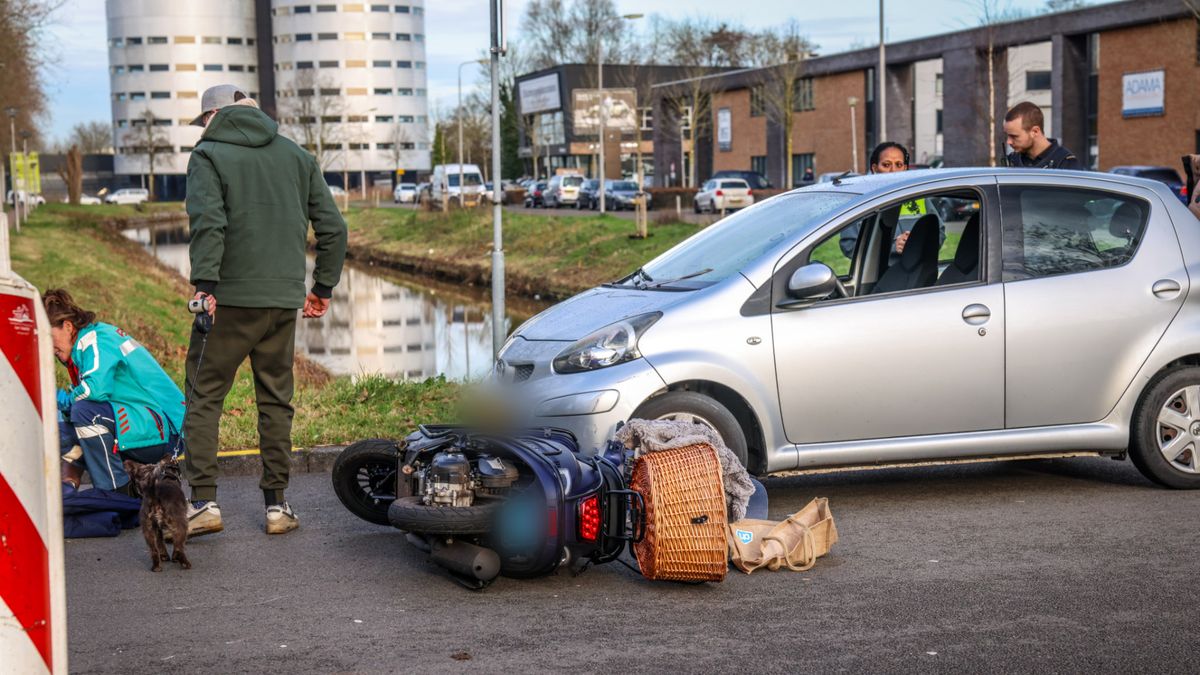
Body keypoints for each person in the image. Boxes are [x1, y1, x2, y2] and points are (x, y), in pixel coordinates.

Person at [184, 84, 347, 536]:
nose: (203, 128)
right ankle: (278, 507)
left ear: (214, 114)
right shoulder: (296, 157)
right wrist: (324, 287)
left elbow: (208, 223)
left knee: (204, 395)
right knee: (275, 399)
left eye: (203, 120)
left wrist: (206, 287)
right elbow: (333, 228)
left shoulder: (208, 155)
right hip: (281, 300)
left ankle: (203, 504)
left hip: (229, 301)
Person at [45, 289, 184, 494]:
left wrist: (59, 399)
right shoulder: (81, 349)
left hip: (167, 432)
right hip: (145, 423)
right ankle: (70, 489)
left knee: (85, 413)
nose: (47, 346)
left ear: (67, 326)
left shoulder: (95, 339)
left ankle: (116, 493)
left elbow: (95, 390)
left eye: (49, 336)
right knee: (58, 428)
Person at [839, 142, 943, 261]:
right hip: (878, 277)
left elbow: (939, 233)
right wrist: (892, 247)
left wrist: (917, 245)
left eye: (899, 165)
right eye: (886, 165)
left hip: (918, 276)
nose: (893, 170)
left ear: (905, 168)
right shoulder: (860, 202)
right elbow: (849, 246)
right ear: (875, 168)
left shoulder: (917, 197)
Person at [1003, 102, 1082, 170]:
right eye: (1008, 136)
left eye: (1014, 136)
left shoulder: (1065, 163)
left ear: (1035, 131)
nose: (1008, 141)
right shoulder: (1012, 161)